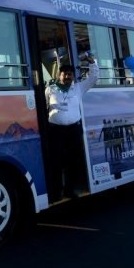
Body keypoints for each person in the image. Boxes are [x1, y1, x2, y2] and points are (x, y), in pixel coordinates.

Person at [45, 53, 99, 201]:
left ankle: (69, 190)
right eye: (64, 74)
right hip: (56, 131)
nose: (67, 77)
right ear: (59, 75)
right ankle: (56, 193)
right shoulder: (50, 90)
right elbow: (44, 107)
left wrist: (92, 62)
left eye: (70, 74)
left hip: (73, 130)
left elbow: (93, 78)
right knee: (56, 162)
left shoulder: (78, 88)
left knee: (73, 162)